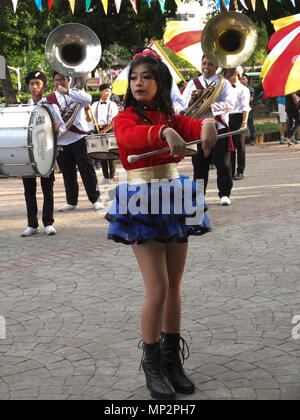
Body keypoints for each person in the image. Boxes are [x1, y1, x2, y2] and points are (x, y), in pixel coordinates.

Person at [105, 50, 217, 400]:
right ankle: (151, 363)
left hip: (173, 195)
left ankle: (172, 360)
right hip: (141, 200)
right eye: (134, 77)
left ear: (160, 83)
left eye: (146, 77)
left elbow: (192, 127)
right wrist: (162, 131)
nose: (138, 82)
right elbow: (130, 139)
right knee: (156, 289)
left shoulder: (171, 114)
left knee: (174, 284)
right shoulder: (124, 117)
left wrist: (208, 124)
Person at [182, 55, 235, 206]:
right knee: (199, 165)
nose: (206, 67)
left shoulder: (223, 83)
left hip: (219, 127)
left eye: (210, 64)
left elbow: (230, 104)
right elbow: (182, 106)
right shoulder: (193, 83)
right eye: (204, 63)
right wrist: (192, 101)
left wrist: (210, 105)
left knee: (223, 164)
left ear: (216, 66)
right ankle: (199, 196)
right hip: (198, 129)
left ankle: (224, 194)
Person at [47, 72, 103, 212]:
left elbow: (88, 100)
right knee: (67, 172)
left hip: (79, 139)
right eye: (56, 80)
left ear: (68, 80)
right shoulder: (50, 99)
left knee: (87, 170)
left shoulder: (76, 94)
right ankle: (71, 201)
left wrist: (68, 91)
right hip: (62, 141)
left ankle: (95, 199)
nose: (59, 82)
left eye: (62, 79)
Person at [21, 70, 66, 237]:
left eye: (37, 84)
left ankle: (48, 222)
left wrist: (57, 129)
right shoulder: (24, 107)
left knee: (48, 189)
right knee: (29, 189)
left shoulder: (51, 107)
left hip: (46, 153)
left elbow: (62, 127)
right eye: (31, 84)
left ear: (44, 86)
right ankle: (32, 224)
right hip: (28, 155)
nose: (34, 87)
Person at [88, 83, 119, 184]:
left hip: (109, 129)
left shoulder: (113, 105)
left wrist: (105, 130)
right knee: (101, 154)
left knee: (111, 154)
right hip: (98, 130)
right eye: (106, 91)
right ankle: (106, 176)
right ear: (101, 92)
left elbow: (114, 120)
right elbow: (90, 118)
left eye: (110, 91)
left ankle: (112, 176)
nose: (108, 93)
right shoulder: (95, 104)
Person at [228, 67, 250, 181]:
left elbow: (245, 107)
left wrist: (244, 122)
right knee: (229, 147)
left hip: (239, 117)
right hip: (227, 118)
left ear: (236, 73)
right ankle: (230, 171)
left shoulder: (243, 89)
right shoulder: (224, 87)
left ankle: (240, 171)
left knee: (240, 146)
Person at [240, 73, 256, 145]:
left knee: (250, 124)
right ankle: (241, 140)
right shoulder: (238, 89)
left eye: (244, 79)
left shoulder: (250, 89)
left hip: (248, 109)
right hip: (239, 110)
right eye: (241, 79)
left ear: (247, 80)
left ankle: (252, 139)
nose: (242, 80)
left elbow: (250, 99)